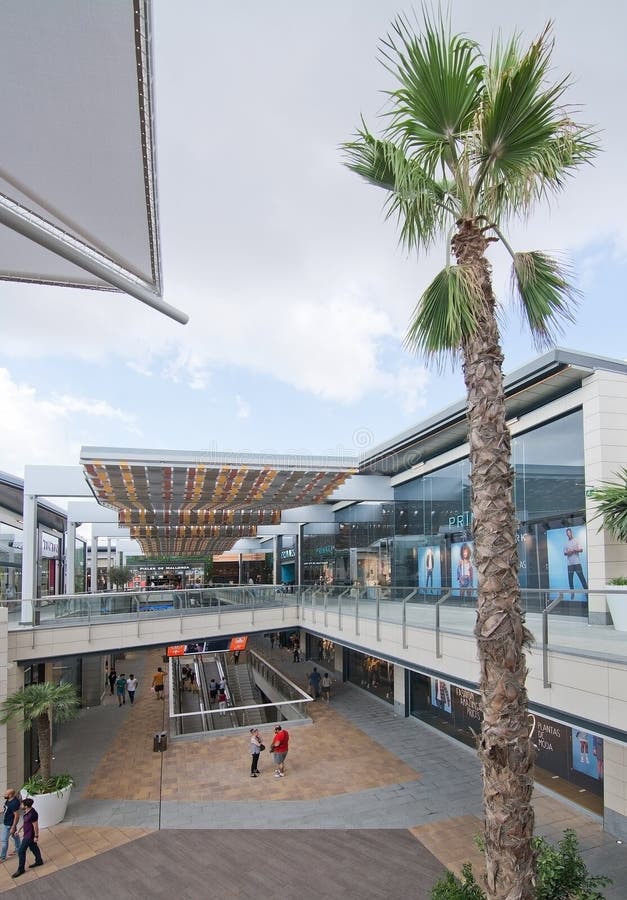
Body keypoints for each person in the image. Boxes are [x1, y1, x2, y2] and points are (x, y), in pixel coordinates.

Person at [12, 798, 43, 878]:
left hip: (29, 836)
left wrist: (36, 836)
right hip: (27, 834)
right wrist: (18, 830)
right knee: (34, 847)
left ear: (26, 806)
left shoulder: (33, 814)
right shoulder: (27, 812)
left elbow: (35, 826)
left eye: (22, 804)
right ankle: (39, 861)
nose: (20, 805)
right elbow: (25, 822)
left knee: (21, 851)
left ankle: (21, 869)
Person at [1, 788, 20, 861]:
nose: (4, 795)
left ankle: (2, 857)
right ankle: (18, 849)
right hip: (7, 822)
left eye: (6, 794)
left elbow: (17, 816)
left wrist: (13, 827)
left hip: (9, 824)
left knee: (4, 841)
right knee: (15, 835)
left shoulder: (14, 803)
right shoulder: (10, 800)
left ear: (11, 795)